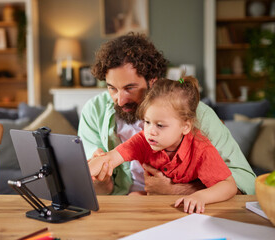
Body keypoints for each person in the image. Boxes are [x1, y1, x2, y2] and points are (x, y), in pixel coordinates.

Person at [78, 32, 256, 196]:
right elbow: (97, 190)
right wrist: (99, 181)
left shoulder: (194, 114)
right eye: (112, 88)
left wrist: (176, 190)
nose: (120, 100)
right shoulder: (94, 111)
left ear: (152, 80)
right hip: (123, 207)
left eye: (130, 88)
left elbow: (246, 183)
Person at [88, 77, 238, 213]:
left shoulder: (201, 149)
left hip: (189, 209)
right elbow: (111, 157)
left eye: (160, 125)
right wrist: (90, 168)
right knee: (134, 197)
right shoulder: (143, 140)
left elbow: (229, 186)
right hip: (159, 208)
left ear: (185, 126)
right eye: (147, 122)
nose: (150, 132)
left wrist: (200, 197)